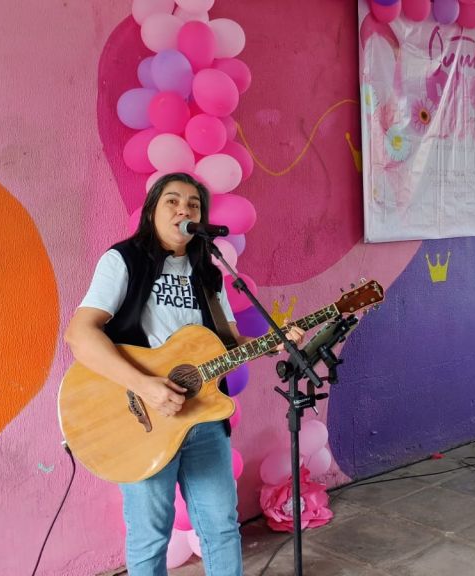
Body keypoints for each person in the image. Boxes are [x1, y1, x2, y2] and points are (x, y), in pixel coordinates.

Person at [65, 172, 304, 576]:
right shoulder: (123, 259)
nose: (184, 210)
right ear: (152, 211)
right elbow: (79, 334)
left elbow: (227, 344)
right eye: (172, 201)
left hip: (204, 420)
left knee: (222, 527)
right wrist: (145, 385)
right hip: (141, 420)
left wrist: (274, 342)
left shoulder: (207, 273)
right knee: (149, 535)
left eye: (193, 204)